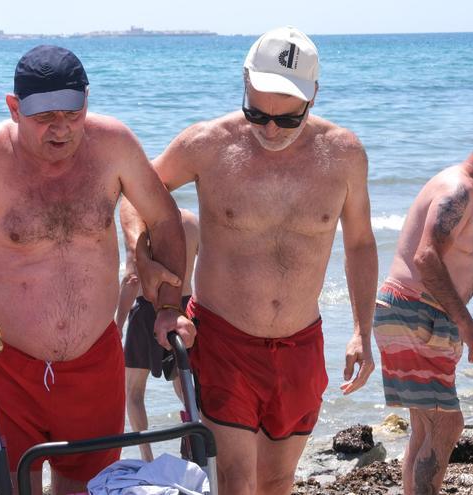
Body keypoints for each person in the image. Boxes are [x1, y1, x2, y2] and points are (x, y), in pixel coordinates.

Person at [0, 45, 194, 494]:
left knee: (86, 488)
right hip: (6, 367)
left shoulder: (114, 145)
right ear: (13, 108)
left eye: (71, 113)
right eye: (43, 117)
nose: (60, 128)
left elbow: (164, 218)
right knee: (10, 487)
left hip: (94, 362)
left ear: (87, 101)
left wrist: (167, 307)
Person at [121, 26, 379, 495]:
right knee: (236, 482)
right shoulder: (207, 143)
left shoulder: (344, 154)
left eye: (287, 118)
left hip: (301, 344)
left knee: (277, 482)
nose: (269, 129)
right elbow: (133, 196)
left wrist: (362, 330)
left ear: (313, 96)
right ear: (244, 83)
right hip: (223, 340)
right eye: (257, 112)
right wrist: (139, 250)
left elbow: (360, 243)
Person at [374, 134, 473, 495]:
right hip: (418, 312)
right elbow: (426, 258)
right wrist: (466, 324)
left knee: (425, 428)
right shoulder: (459, 189)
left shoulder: (457, 185)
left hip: (410, 311)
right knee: (447, 425)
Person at [115, 209, 199, 461]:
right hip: (185, 307)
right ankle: (195, 445)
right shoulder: (192, 220)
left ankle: (147, 458)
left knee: (134, 392)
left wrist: (117, 325)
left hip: (148, 309)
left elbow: (132, 279)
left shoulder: (144, 223)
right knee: (185, 386)